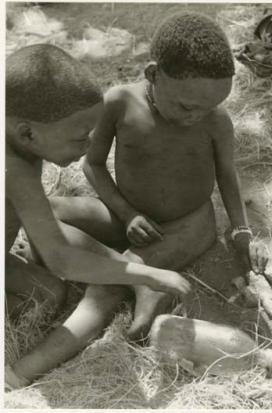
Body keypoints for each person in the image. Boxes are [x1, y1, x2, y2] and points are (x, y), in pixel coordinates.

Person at [50, 11, 268, 342]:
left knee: (104, 286)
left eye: (207, 108)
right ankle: (133, 273)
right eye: (185, 107)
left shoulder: (216, 122)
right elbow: (92, 165)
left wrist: (241, 231)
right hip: (129, 213)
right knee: (44, 211)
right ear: (154, 74)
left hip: (187, 226)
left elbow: (226, 174)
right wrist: (127, 215)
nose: (196, 116)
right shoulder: (120, 103)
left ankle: (27, 368)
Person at [5, 44, 191, 389]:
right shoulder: (12, 167)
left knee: (48, 295)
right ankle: (12, 380)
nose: (90, 146)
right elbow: (61, 260)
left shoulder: (22, 144)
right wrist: (147, 274)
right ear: (27, 132)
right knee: (48, 294)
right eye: (80, 136)